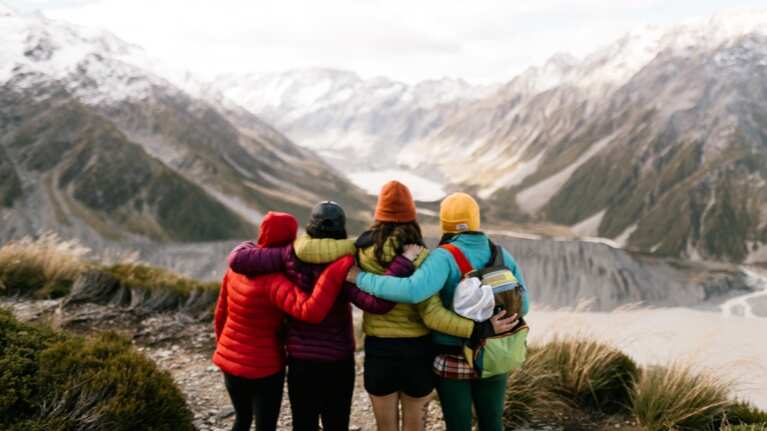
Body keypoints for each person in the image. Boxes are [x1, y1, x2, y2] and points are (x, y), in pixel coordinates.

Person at [295, 182, 516, 431]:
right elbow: (432, 316)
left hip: (380, 350)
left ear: (379, 215)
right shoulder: (424, 256)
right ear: (411, 215)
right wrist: (477, 329)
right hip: (417, 352)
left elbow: (308, 249)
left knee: (385, 427)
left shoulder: (361, 250)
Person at [347, 192, 530, 431]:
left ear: (445, 222)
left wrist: (362, 278)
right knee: (492, 422)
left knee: (458, 425)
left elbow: (412, 291)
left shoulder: (442, 258)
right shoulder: (501, 254)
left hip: (452, 356)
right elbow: (523, 305)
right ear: (476, 220)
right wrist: (491, 323)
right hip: (495, 352)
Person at [227, 201, 405, 431]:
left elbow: (238, 260)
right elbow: (378, 305)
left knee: (303, 422)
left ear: (310, 226)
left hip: (301, 361)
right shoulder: (346, 264)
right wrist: (401, 265)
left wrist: (247, 245)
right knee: (336, 423)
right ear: (341, 229)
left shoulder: (289, 254)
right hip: (337, 360)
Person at [213, 211, 354, 431]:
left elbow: (221, 314)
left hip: (229, 360)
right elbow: (309, 310)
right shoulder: (276, 282)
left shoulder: (234, 271)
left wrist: (223, 346)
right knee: (265, 426)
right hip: (265, 366)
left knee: (241, 419)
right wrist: (336, 269)